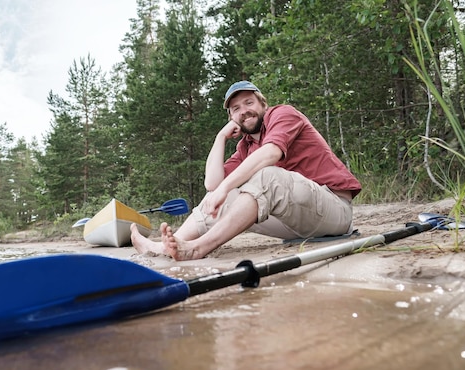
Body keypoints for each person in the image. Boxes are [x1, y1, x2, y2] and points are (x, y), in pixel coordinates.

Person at [131, 80, 362, 261]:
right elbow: (212, 184)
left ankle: (197, 248)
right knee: (218, 197)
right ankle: (163, 248)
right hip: (296, 224)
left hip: (334, 211)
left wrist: (227, 187)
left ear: (263, 103)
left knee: (266, 176)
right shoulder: (246, 147)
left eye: (249, 103)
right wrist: (220, 137)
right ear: (231, 118)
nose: (244, 111)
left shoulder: (283, 114)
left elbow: (272, 153)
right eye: (236, 108)